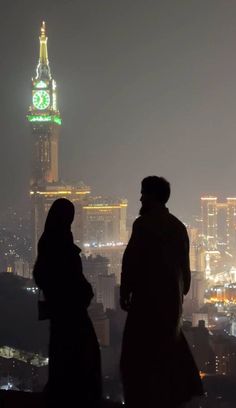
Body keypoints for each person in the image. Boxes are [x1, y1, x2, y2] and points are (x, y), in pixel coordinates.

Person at [120, 176, 203, 408]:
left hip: (146, 306)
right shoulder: (178, 227)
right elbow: (186, 276)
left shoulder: (143, 224)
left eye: (143, 193)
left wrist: (125, 292)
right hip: (170, 307)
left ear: (152, 197)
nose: (140, 198)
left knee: (138, 362)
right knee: (168, 361)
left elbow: (131, 262)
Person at [33, 198, 102, 407]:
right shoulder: (62, 246)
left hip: (59, 314)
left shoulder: (48, 243)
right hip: (71, 314)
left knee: (62, 358)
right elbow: (73, 281)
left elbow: (40, 275)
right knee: (81, 357)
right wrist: (83, 292)